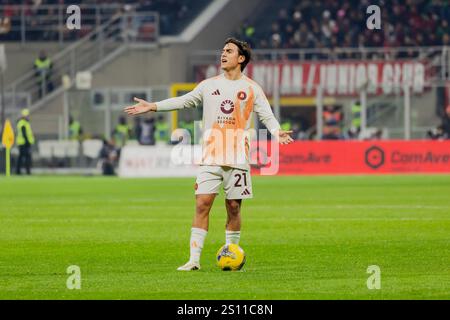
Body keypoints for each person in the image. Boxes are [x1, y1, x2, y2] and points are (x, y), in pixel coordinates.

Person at [124, 37, 293, 271]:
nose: (223, 54)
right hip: (210, 156)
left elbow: (266, 114)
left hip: (238, 158)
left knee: (234, 207)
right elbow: (184, 101)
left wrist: (276, 132)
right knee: (202, 204)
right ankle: (194, 260)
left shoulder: (252, 88)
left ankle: (230, 252)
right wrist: (153, 106)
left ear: (241, 58)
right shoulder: (208, 85)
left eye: (229, 51)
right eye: (222, 50)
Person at [16, 109, 35, 175]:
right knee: (25, 157)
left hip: (23, 142)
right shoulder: (23, 123)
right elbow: (24, 133)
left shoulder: (24, 122)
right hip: (23, 143)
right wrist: (27, 141)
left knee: (22, 157)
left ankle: (20, 171)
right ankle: (25, 171)